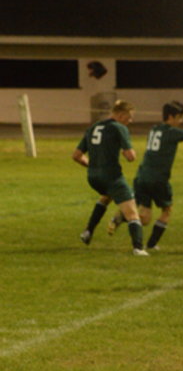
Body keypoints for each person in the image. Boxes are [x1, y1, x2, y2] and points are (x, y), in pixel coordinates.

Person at [108, 101, 183, 250]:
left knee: (145, 219)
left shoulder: (154, 129)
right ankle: (151, 244)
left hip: (142, 176)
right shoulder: (171, 132)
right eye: (180, 118)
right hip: (158, 179)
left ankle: (121, 217)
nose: (181, 121)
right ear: (171, 117)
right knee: (167, 210)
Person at [72, 99, 148, 256]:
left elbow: (76, 155)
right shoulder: (119, 128)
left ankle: (87, 231)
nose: (130, 121)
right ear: (120, 115)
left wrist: (93, 166)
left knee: (106, 197)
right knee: (132, 212)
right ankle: (138, 248)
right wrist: (129, 152)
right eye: (129, 117)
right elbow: (130, 157)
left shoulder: (93, 127)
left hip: (93, 178)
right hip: (111, 177)